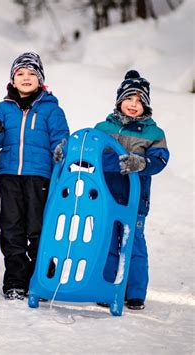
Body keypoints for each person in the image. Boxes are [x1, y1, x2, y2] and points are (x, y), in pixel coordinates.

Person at [0, 52, 69, 300]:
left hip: (39, 177)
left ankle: (42, 280)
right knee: (11, 228)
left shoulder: (52, 110)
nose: (26, 78)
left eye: (31, 73)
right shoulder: (4, 108)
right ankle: (16, 281)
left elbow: (61, 140)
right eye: (20, 74)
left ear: (41, 80)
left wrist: (62, 150)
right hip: (8, 175)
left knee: (38, 229)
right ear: (12, 79)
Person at [93, 70, 169, 310]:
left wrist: (142, 163)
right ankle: (108, 287)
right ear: (119, 101)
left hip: (135, 200)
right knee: (107, 242)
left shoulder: (153, 133)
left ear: (146, 105)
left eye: (139, 101)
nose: (133, 105)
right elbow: (91, 156)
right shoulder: (103, 128)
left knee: (133, 243)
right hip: (106, 197)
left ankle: (134, 293)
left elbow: (160, 160)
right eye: (129, 99)